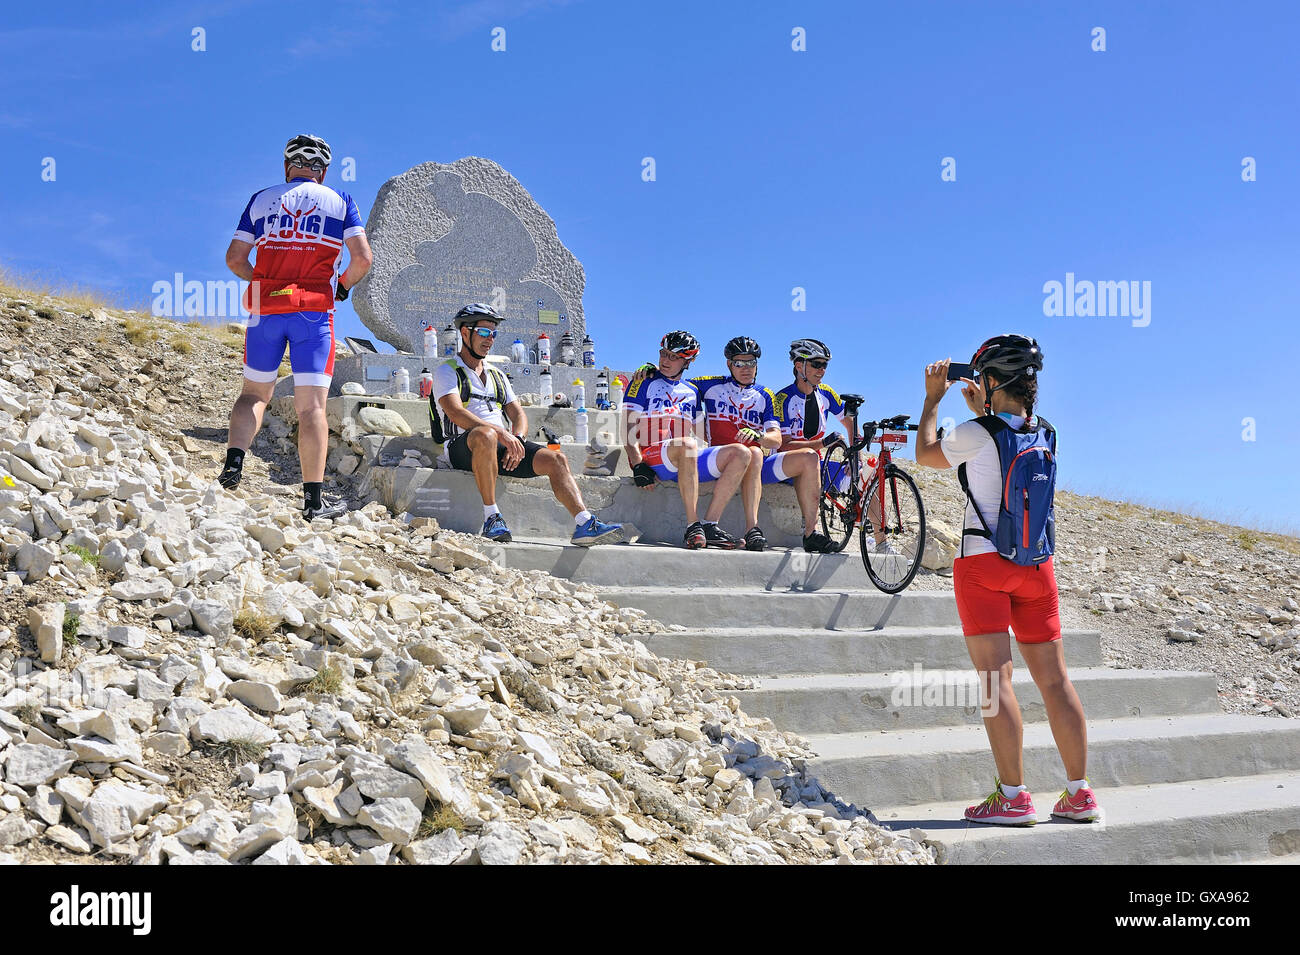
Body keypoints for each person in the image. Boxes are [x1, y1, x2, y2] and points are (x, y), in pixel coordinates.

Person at [914, 334, 1098, 826]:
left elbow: (926, 455)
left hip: (984, 565)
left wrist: (933, 399)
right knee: (1055, 680)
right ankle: (1080, 794)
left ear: (992, 380)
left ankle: (1014, 797)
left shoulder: (977, 433)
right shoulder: (1048, 432)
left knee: (996, 681)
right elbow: (1007, 438)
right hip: (1037, 567)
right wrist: (984, 408)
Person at [219, 134, 372, 521]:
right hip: (314, 313)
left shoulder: (262, 198)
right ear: (322, 171)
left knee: (253, 395)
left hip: (266, 310)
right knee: (312, 409)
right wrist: (340, 286)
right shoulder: (341, 201)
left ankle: (232, 468)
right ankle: (311, 501)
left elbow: (235, 259)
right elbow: (363, 260)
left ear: (288, 167)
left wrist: (262, 282)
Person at [433, 303, 625, 546]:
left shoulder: (496, 374)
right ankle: (492, 517)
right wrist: (502, 434)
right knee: (485, 435)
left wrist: (518, 441)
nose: (490, 339)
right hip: (464, 446)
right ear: (464, 333)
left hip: (499, 445)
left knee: (557, 459)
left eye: (494, 333)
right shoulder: (447, 371)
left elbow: (518, 415)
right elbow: (455, 413)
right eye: (483, 332)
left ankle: (584, 523)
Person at [688, 337, 824, 552]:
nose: (746, 368)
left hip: (756, 463)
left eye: (751, 363)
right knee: (752, 452)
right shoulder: (712, 384)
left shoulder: (765, 394)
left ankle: (811, 532)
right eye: (739, 363)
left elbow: (776, 439)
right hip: (723, 458)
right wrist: (650, 371)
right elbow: (674, 381)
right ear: (729, 365)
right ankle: (744, 526)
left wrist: (759, 435)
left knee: (808, 456)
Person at [622, 331, 753, 549]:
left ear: (688, 361)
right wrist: (637, 465)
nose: (665, 360)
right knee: (688, 444)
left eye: (673, 357)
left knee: (741, 453)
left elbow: (704, 433)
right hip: (652, 458)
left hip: (685, 458)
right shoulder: (643, 381)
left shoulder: (692, 391)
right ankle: (693, 526)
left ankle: (710, 525)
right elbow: (627, 429)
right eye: (663, 353)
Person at [770, 339, 853, 553]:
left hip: (812, 463)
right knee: (809, 457)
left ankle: (882, 542)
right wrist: (823, 442)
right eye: (816, 364)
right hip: (784, 463)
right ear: (799, 366)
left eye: (825, 365)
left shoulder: (826, 393)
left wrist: (855, 457)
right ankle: (811, 533)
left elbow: (849, 421)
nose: (822, 370)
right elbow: (784, 446)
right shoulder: (782, 398)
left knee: (867, 471)